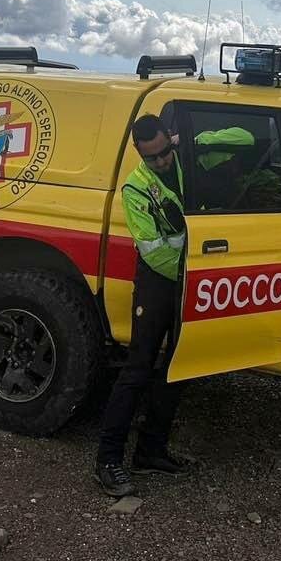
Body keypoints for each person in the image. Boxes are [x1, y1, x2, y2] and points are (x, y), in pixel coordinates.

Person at [94, 114, 194, 496]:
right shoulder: (135, 189)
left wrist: (195, 137)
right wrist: (194, 272)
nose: (162, 161)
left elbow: (241, 137)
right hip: (159, 282)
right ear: (139, 153)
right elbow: (154, 253)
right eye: (152, 157)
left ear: (171, 139)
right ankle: (108, 460)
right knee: (138, 368)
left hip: (187, 279)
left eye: (165, 152)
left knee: (179, 367)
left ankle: (151, 451)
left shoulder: (186, 156)